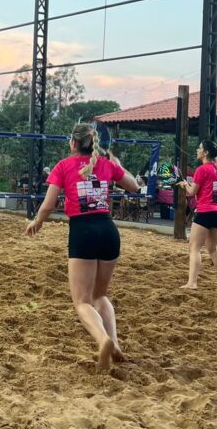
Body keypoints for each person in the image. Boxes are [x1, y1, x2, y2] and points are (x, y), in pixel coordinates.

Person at [25, 123, 139, 371]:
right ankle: (116, 344)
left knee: (82, 302)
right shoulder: (107, 164)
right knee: (100, 295)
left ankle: (103, 340)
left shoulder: (63, 166)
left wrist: (37, 222)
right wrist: (116, 162)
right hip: (109, 231)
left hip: (82, 231)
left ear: (73, 143)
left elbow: (48, 204)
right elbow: (134, 186)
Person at [178, 140, 217, 290]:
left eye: (200, 148)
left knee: (194, 248)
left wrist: (184, 185)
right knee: (212, 249)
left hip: (205, 211)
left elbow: (192, 192)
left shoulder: (202, 169)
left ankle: (192, 283)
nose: (197, 150)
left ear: (206, 153)